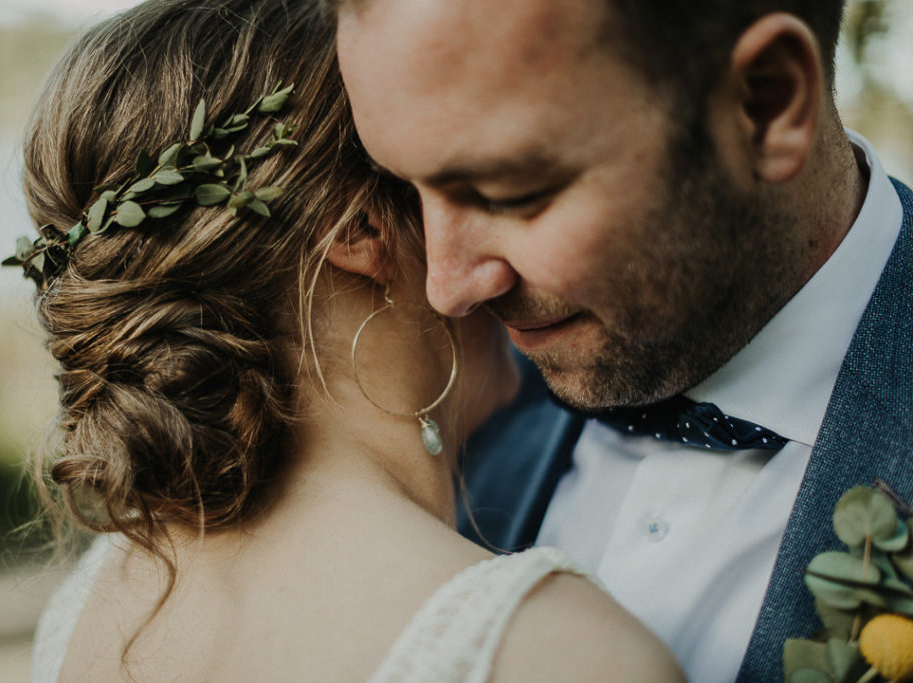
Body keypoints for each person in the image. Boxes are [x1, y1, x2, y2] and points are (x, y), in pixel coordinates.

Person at [14, 1, 683, 681]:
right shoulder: (551, 651)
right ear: (359, 227)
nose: (474, 269)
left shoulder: (95, 604)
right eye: (458, 185)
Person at [332, 0, 913, 681]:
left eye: (508, 190)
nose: (448, 288)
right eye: (404, 190)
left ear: (765, 105)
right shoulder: (446, 416)